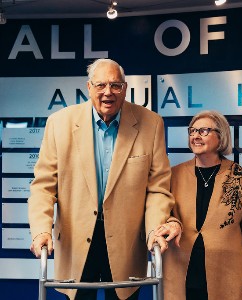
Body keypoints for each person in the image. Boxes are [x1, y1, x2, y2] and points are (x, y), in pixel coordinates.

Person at [28, 58, 181, 300]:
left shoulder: (151, 124)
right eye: (100, 85)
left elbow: (158, 189)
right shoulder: (59, 124)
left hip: (127, 244)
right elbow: (43, 187)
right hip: (76, 243)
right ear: (89, 88)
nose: (107, 92)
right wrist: (40, 231)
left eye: (115, 85)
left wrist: (154, 230)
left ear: (125, 88)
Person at [156, 110, 242, 300]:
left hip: (225, 275)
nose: (196, 136)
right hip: (180, 273)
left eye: (204, 131)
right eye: (192, 131)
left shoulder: (240, 177)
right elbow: (161, 214)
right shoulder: (174, 175)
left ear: (221, 136)